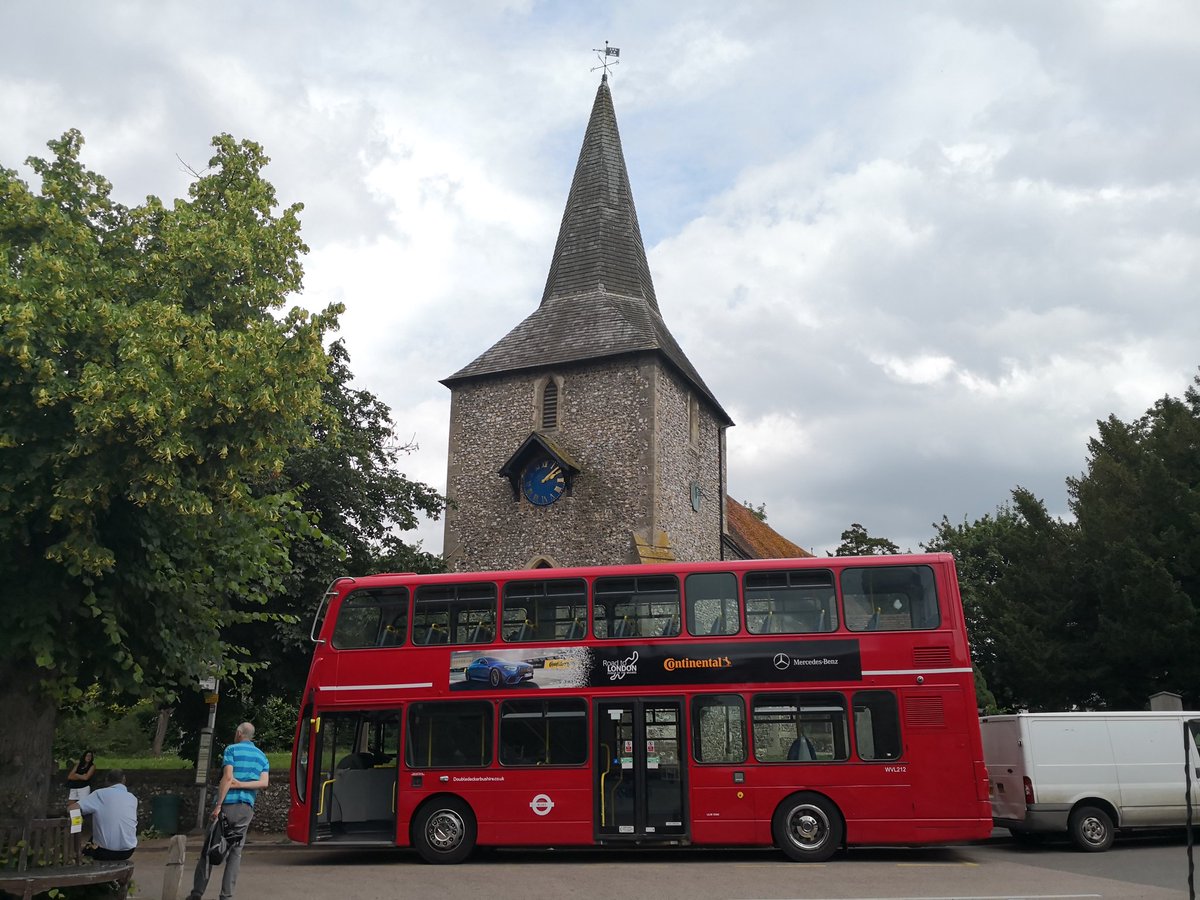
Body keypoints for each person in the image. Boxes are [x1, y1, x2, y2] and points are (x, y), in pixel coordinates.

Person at [187, 722, 269, 900]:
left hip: (226, 805)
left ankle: (197, 893)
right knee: (235, 852)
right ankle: (226, 896)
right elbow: (264, 783)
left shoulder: (231, 750)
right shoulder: (262, 757)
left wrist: (218, 806)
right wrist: (244, 785)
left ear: (239, 733)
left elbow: (228, 777)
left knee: (210, 848)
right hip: (246, 808)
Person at [69, 768, 137, 860]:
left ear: (106, 780)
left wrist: (77, 821)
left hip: (104, 852)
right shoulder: (132, 798)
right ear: (124, 779)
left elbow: (72, 808)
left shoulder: (100, 794)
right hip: (128, 851)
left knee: (88, 849)